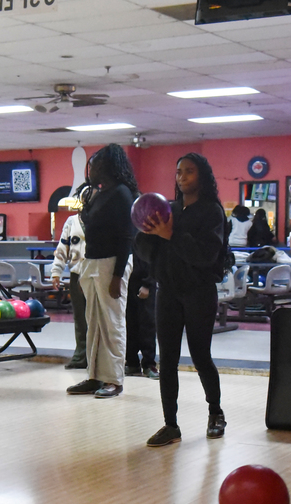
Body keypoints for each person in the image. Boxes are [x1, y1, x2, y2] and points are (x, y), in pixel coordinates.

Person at [136, 152, 226, 446]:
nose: (182, 176)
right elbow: (149, 252)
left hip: (199, 292)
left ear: (202, 176)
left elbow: (205, 256)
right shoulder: (168, 209)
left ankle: (215, 413)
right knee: (168, 360)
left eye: (189, 171)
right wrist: (149, 234)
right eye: (178, 172)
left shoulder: (212, 211)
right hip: (169, 293)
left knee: (201, 357)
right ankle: (170, 425)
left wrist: (171, 234)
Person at [66, 144, 137, 399]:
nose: (90, 169)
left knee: (112, 324)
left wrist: (118, 276)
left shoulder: (121, 193)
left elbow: (126, 237)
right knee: (93, 323)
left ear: (107, 167)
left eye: (95, 165)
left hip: (111, 264)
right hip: (91, 262)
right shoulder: (96, 193)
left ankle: (114, 380)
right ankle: (94, 376)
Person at [51, 190, 89, 370]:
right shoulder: (72, 222)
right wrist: (56, 272)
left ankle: (98, 358)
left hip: (97, 274)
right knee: (80, 318)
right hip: (77, 274)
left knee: (98, 319)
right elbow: (62, 249)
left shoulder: (102, 220)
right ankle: (81, 356)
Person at [125, 249, 158, 379]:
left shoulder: (148, 231)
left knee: (147, 324)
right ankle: (132, 363)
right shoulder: (127, 230)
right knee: (130, 323)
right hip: (128, 282)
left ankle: (149, 364)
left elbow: (154, 259)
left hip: (145, 283)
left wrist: (148, 284)